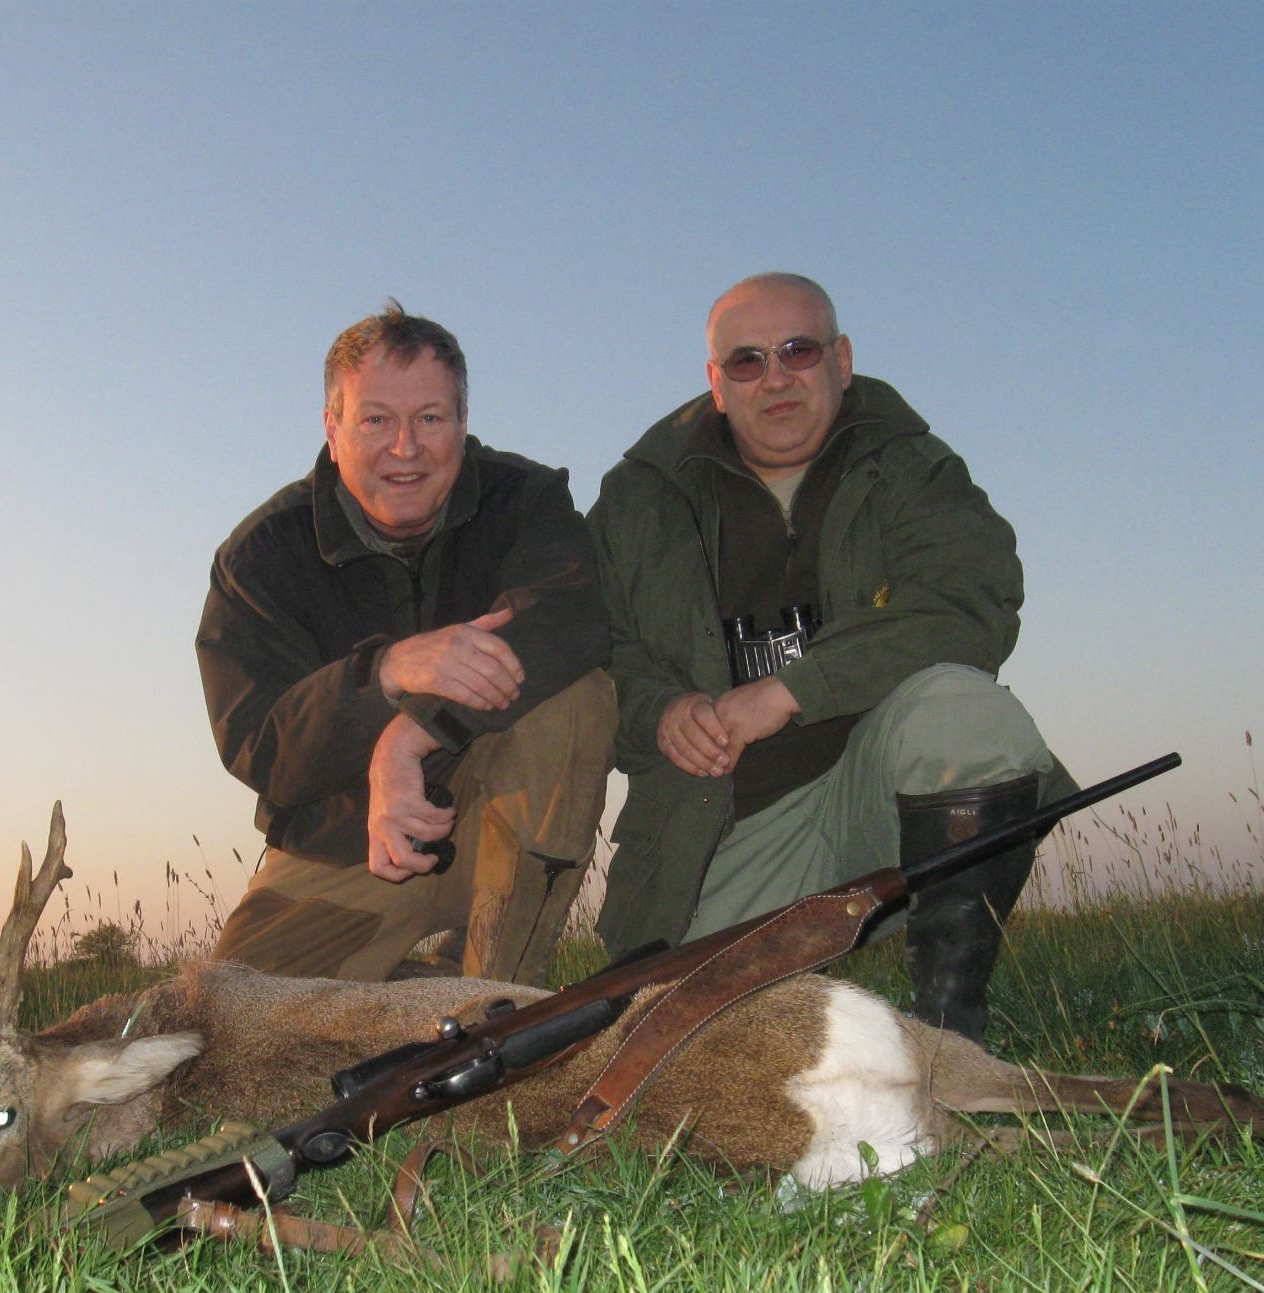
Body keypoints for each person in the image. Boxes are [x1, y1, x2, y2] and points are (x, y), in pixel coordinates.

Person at [587, 273, 1073, 1042]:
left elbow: (967, 605)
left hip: (872, 800)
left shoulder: (912, 466)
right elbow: (595, 660)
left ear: (841, 361)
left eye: (798, 351)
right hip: (720, 827)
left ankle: (949, 1032)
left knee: (966, 711)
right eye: (747, 361)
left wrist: (789, 692)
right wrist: (661, 712)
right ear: (716, 384)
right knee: (674, 1038)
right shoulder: (637, 500)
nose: (775, 378)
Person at [197, 302, 615, 985]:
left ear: (462, 423)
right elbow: (259, 746)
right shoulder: (259, 555)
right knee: (234, 1014)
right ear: (332, 428)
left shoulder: (527, 498)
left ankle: (496, 998)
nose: (405, 448)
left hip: (496, 818)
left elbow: (571, 620)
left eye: (430, 419)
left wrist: (409, 736)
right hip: (348, 847)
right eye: (376, 420)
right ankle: (413, 999)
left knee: (576, 697)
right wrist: (384, 674)